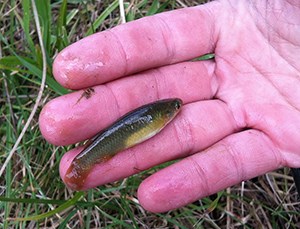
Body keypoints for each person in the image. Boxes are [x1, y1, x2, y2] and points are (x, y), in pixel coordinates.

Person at [39, 0, 300, 213]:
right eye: (175, 107)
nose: (179, 107)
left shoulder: (163, 114)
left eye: (176, 107)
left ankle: (82, 164)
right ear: (166, 114)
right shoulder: (161, 114)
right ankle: (82, 164)